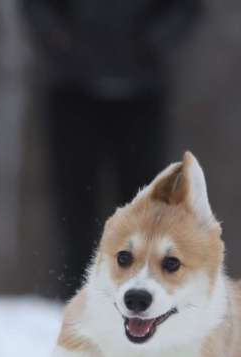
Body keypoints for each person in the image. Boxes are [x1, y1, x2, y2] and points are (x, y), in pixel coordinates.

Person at [22, 0, 201, 299]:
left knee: (143, 203)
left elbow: (186, 8)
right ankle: (74, 292)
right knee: (74, 201)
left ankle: (140, 289)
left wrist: (152, 42)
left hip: (143, 92)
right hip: (72, 89)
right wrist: (60, 39)